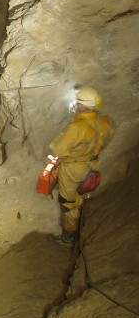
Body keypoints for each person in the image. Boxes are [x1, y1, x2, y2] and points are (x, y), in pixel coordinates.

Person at [48, 85, 114, 246]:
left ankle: (69, 237)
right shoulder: (104, 120)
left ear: (82, 105)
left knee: (67, 201)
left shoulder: (77, 127)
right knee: (82, 194)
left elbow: (58, 148)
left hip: (73, 168)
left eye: (78, 102)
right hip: (92, 164)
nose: (77, 105)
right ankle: (81, 218)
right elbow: (108, 137)